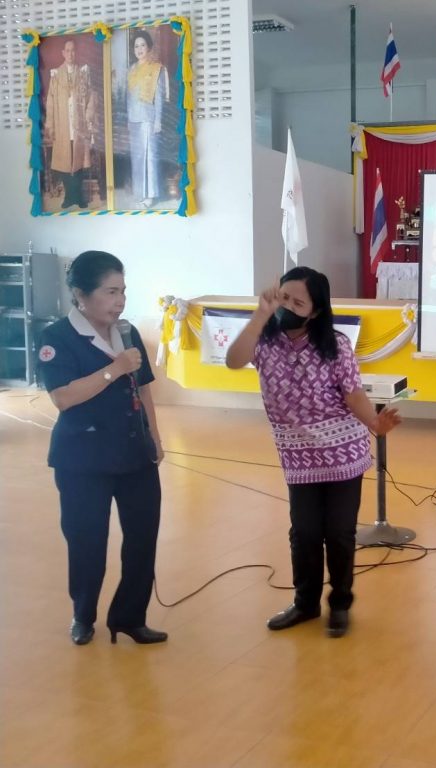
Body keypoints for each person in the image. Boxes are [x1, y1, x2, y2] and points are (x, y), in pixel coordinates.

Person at [226, 267, 401, 638]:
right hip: (298, 454)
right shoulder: (265, 340)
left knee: (338, 532)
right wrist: (259, 315)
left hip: (342, 452)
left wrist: (375, 424)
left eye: (297, 302)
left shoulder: (335, 345)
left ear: (315, 311)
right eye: (283, 297)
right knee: (304, 532)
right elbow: (233, 360)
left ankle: (340, 603)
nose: (287, 306)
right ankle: (305, 603)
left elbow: (354, 395)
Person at [38, 251, 166, 646]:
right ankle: (83, 615)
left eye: (123, 291)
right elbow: (63, 397)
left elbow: (143, 387)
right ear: (81, 294)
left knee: (142, 538)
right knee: (87, 542)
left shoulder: (127, 332)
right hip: (83, 460)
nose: (120, 301)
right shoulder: (56, 338)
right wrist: (114, 369)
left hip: (135, 453)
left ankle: (130, 617)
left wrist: (154, 436)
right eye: (110, 292)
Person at [44, 38, 98, 209]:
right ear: (63, 53)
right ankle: (69, 197)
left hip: (79, 124)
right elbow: (50, 102)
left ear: (76, 52)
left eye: (73, 50)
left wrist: (88, 117)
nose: (70, 53)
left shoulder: (83, 73)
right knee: (65, 161)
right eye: (67, 50)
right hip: (62, 125)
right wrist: (50, 125)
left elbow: (91, 97)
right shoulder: (55, 75)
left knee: (79, 159)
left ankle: (79, 197)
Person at [126, 31, 168, 209]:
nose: (139, 49)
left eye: (142, 45)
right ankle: (140, 193)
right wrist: (128, 120)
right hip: (134, 120)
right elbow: (128, 98)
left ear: (149, 47)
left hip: (149, 119)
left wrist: (158, 121)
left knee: (150, 157)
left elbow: (159, 98)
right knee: (137, 158)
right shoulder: (131, 70)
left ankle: (150, 195)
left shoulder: (156, 69)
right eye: (136, 46)